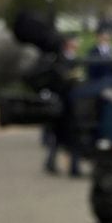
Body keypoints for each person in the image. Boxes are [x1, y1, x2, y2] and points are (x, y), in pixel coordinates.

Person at [44, 34, 83, 177]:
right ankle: (70, 167)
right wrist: (72, 77)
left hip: (72, 103)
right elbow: (60, 79)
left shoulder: (73, 58)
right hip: (64, 103)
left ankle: (71, 166)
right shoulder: (60, 59)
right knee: (64, 136)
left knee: (66, 136)